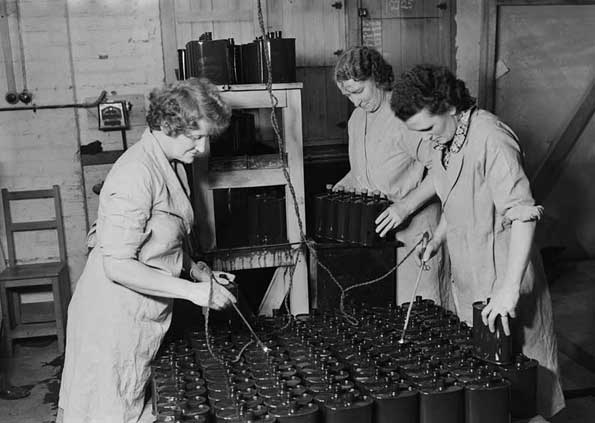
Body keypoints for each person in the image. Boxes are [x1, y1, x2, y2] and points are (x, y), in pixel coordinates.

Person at [391, 64, 565, 419]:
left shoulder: (492, 138)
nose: (426, 138)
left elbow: (523, 214)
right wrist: (437, 238)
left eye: (427, 128)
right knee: (491, 389)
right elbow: (455, 200)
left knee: (526, 390)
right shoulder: (445, 142)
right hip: (471, 280)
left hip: (505, 278)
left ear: (449, 106)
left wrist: (508, 289)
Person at [58, 78, 236, 423]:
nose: (202, 148)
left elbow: (162, 238)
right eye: (195, 137)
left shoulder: (171, 165)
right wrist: (195, 292)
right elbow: (118, 266)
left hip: (140, 312)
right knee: (107, 412)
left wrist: (196, 268)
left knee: (128, 407)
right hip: (110, 318)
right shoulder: (134, 173)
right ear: (169, 125)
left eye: (206, 137)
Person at [333, 46, 450, 306]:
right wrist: (341, 188)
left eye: (358, 91)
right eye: (347, 95)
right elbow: (365, 170)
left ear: (377, 77)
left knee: (421, 311)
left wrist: (406, 206)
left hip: (417, 231)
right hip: (380, 235)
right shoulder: (357, 119)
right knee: (387, 315)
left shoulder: (404, 115)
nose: (355, 101)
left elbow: (444, 167)